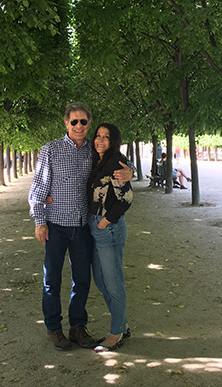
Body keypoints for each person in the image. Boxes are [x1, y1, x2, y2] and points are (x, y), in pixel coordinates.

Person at [28, 103, 133, 351]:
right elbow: (38, 188)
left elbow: (115, 162)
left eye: (84, 122)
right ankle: (54, 328)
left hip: (82, 227)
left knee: (82, 279)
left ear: (88, 124)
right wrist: (39, 221)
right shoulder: (50, 150)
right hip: (55, 225)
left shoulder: (93, 149)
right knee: (51, 279)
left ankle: (77, 327)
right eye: (74, 121)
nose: (79, 126)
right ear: (66, 123)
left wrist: (130, 170)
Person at [88, 123, 133, 352]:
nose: (100, 140)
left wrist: (105, 222)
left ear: (114, 141)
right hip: (95, 226)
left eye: (106, 137)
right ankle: (122, 324)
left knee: (113, 283)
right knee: (101, 279)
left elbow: (126, 199)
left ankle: (116, 333)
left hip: (108, 228)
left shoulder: (116, 161)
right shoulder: (98, 159)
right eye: (98, 136)